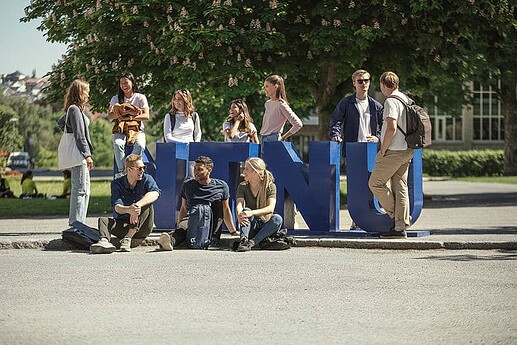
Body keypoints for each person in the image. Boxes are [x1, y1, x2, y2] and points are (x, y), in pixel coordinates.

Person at [328, 69, 384, 230]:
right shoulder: (346, 103)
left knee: (370, 184)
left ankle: (369, 219)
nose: (364, 84)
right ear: (354, 83)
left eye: (366, 80)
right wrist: (336, 134)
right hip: (353, 149)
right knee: (354, 186)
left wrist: (378, 137)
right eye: (360, 81)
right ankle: (356, 221)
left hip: (371, 151)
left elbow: (385, 125)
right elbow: (336, 121)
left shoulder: (375, 105)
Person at [158, 156, 238, 251]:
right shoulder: (187, 185)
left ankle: (213, 240)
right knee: (182, 229)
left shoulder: (221, 186)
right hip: (191, 217)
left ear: (209, 170)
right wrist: (179, 225)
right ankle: (170, 241)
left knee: (217, 205)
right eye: (195, 169)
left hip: (211, 221)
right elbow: (183, 208)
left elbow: (226, 209)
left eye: (200, 169)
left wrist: (233, 231)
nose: (196, 172)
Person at [368, 71, 414, 238]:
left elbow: (392, 127)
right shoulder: (405, 99)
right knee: (400, 186)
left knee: (375, 183)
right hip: (408, 150)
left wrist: (383, 149)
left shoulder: (391, 101)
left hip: (394, 150)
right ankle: (399, 227)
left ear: (382, 85)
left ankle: (396, 215)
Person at [90, 154, 161, 254]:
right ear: (129, 170)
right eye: (139, 168)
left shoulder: (146, 179)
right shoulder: (117, 183)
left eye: (144, 167)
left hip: (142, 228)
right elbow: (117, 207)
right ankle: (104, 242)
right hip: (124, 225)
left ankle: (127, 239)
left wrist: (137, 206)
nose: (142, 171)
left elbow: (155, 193)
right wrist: (128, 210)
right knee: (104, 220)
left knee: (146, 202)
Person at [57, 79, 94, 225]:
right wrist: (87, 154)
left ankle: (79, 222)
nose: (88, 96)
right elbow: (80, 135)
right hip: (80, 155)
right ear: (80, 93)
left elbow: (61, 123)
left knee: (84, 190)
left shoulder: (75, 109)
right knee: (80, 190)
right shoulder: (74, 109)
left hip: (80, 155)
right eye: (86, 92)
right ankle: (76, 223)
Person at [234, 157, 283, 252]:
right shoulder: (243, 186)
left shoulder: (270, 186)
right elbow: (239, 204)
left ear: (255, 172)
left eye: (246, 169)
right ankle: (243, 240)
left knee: (277, 218)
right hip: (250, 225)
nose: (244, 171)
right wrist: (240, 214)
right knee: (245, 211)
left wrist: (251, 213)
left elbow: (270, 208)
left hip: (264, 225)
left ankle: (252, 243)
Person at [109, 72, 150, 178]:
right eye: (121, 83)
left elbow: (146, 116)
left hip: (137, 129)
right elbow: (110, 116)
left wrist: (130, 117)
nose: (124, 85)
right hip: (121, 129)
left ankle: (132, 167)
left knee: (140, 145)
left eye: (126, 82)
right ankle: (123, 171)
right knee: (118, 143)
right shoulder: (115, 99)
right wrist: (118, 111)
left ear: (132, 83)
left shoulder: (140, 97)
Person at [163, 89, 201, 177]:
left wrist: (195, 145)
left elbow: (197, 134)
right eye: (175, 99)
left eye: (179, 99)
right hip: (176, 152)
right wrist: (184, 144)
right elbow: (168, 137)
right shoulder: (169, 116)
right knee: (179, 177)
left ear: (186, 100)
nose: (176, 102)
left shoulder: (194, 116)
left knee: (192, 176)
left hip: (191, 152)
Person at [259, 74, 303, 145]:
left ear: (275, 87)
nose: (265, 89)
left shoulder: (281, 104)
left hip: (273, 139)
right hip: (262, 138)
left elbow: (298, 124)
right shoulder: (267, 103)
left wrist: (283, 137)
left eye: (267, 86)